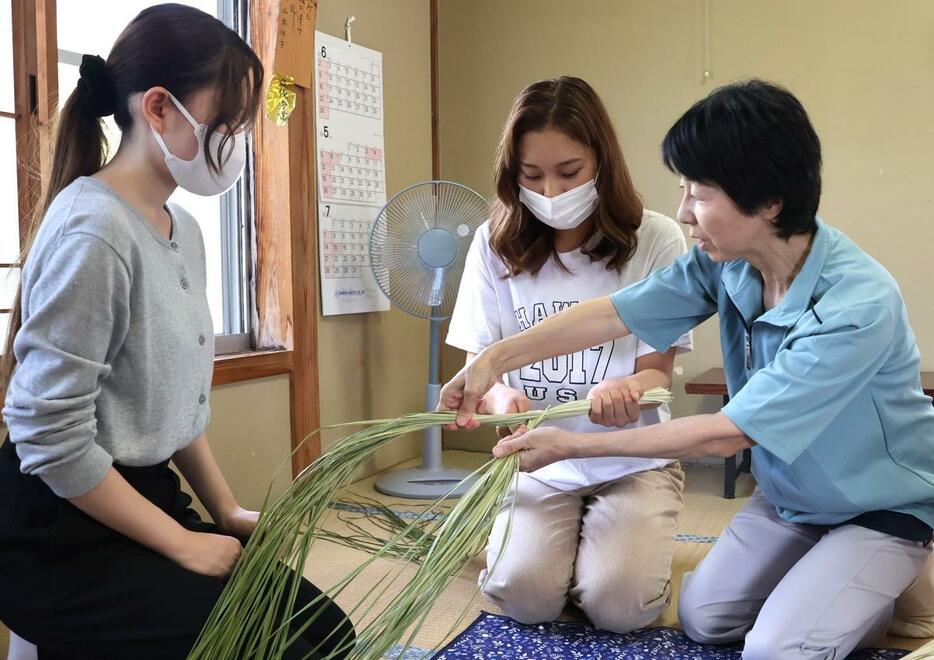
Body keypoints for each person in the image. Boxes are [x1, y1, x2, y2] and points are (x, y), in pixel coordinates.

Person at [440, 79, 934, 659]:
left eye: (698, 194)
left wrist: (572, 447)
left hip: (878, 506)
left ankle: (900, 578)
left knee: (777, 650)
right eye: (684, 190)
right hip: (790, 497)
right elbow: (617, 314)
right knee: (705, 618)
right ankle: (842, 585)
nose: (682, 212)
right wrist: (493, 360)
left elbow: (728, 434)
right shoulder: (725, 265)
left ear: (768, 201)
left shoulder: (856, 306)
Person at [0, 5, 354, 658]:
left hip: (145, 499)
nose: (238, 143)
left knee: (327, 633)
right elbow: (48, 437)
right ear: (159, 108)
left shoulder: (179, 229)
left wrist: (223, 513)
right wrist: (184, 544)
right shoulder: (95, 231)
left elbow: (176, 403)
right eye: (229, 124)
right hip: (59, 530)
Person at [446, 76, 690, 634]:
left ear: (603, 161)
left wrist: (627, 390)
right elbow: (485, 369)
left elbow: (656, 374)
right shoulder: (493, 242)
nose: (551, 192)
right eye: (532, 176)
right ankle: (556, 546)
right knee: (527, 600)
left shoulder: (654, 239)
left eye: (570, 172)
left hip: (632, 459)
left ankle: (606, 544)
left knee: (619, 606)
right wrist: (503, 398)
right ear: (513, 175)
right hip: (538, 458)